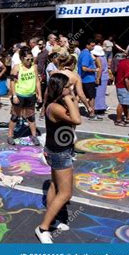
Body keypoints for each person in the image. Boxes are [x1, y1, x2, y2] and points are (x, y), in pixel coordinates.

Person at [35, 73, 81, 244]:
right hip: (59, 153)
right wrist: (69, 97)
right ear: (60, 89)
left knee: (55, 185)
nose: (71, 88)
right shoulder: (55, 107)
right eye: (67, 86)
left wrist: (71, 97)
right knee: (66, 193)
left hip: (57, 150)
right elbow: (77, 119)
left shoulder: (58, 103)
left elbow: (74, 119)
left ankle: (52, 219)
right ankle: (43, 228)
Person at [8, 46, 42, 146]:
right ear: (22, 58)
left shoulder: (34, 67)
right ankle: (10, 136)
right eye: (27, 59)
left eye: (31, 58)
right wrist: (14, 95)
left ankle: (34, 136)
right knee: (15, 116)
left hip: (30, 95)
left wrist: (39, 95)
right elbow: (12, 82)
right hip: (19, 95)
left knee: (31, 117)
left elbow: (37, 81)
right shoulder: (17, 67)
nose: (30, 61)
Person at [77, 40, 100, 120]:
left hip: (84, 79)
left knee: (79, 96)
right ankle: (92, 113)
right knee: (91, 97)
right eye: (92, 46)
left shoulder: (84, 53)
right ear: (87, 45)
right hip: (88, 79)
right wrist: (95, 70)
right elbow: (84, 68)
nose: (93, 48)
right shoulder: (86, 54)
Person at [92, 45, 109, 118]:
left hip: (101, 77)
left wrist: (98, 78)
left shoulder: (98, 58)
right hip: (105, 77)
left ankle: (98, 108)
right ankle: (101, 107)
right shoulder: (104, 58)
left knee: (98, 94)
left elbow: (100, 68)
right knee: (101, 94)